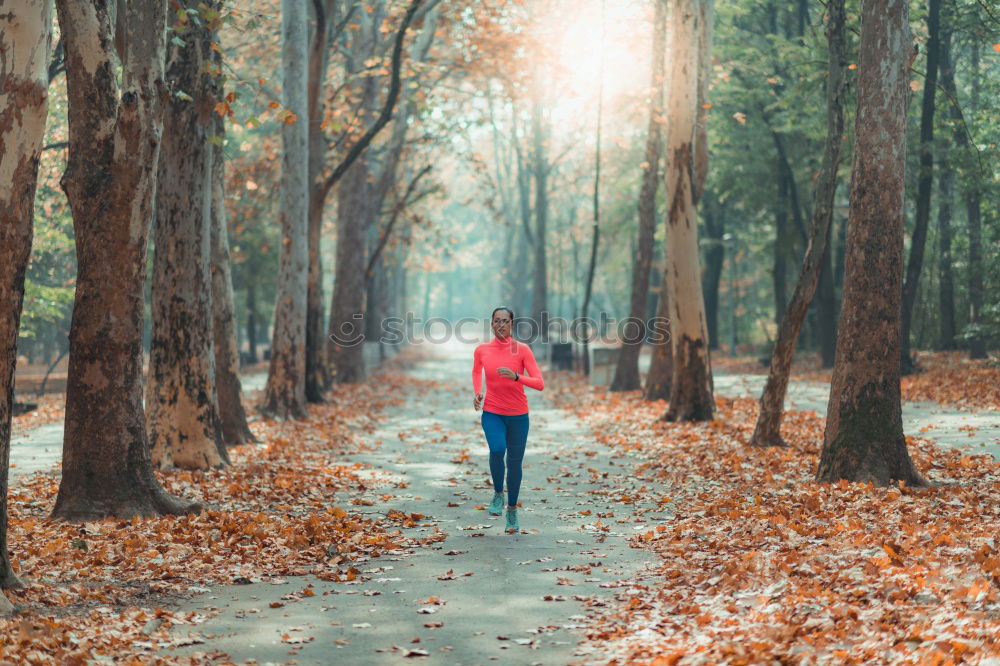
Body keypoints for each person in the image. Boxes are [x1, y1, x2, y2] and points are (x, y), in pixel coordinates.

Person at [471, 306, 544, 533]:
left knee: (514, 463)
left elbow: (539, 383)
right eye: (496, 321)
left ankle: (512, 509)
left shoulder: (522, 350)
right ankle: (497, 493)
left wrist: (516, 377)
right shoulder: (482, 350)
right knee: (496, 449)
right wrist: (477, 392)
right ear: (491, 324)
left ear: (512, 325)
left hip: (519, 416)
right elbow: (476, 372)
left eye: (505, 321)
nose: (500, 325)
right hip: (492, 411)